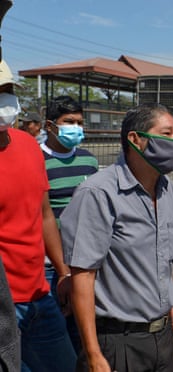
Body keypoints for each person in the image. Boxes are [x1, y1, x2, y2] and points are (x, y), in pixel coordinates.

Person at [61, 103, 173, 372]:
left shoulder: (167, 189)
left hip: (162, 338)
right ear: (135, 139)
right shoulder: (99, 194)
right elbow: (83, 277)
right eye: (167, 134)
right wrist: (92, 353)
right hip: (117, 344)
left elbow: (161, 261)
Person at [0, 60, 77, 371]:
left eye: (7, 91)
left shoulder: (29, 146)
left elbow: (44, 215)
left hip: (39, 295)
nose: (5, 100)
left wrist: (63, 272)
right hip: (4, 306)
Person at [41, 95, 98, 355]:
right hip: (50, 268)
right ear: (50, 126)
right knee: (52, 339)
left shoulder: (89, 161)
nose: (75, 128)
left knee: (82, 337)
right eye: (68, 122)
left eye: (79, 122)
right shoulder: (36, 160)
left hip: (83, 264)